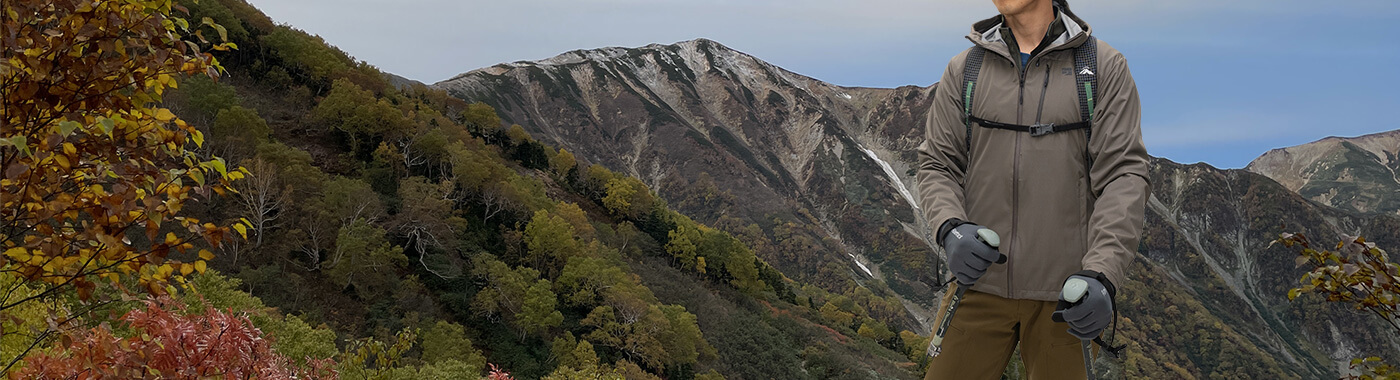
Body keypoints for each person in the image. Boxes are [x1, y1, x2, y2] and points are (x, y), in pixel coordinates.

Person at [915, 0, 1149, 378]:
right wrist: (950, 227)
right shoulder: (965, 70)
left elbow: (1124, 177)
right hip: (977, 287)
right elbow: (937, 164)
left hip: (1067, 299)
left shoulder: (1102, 68)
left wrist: (1102, 274)